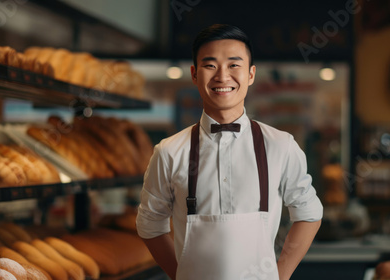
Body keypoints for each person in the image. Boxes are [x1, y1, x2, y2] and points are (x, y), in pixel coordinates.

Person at [136, 24, 323, 280]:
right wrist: (179, 275)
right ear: (194, 73)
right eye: (210, 65)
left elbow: (309, 214)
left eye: (234, 65)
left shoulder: (281, 145)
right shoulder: (169, 152)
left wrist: (281, 275)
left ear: (251, 74)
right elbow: (149, 225)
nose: (222, 77)